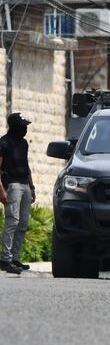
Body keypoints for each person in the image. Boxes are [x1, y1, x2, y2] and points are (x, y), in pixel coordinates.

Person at [0, 113, 36, 275]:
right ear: (14, 126)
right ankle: (5, 259)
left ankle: (15, 258)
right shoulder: (3, 143)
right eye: (23, 126)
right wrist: (1, 189)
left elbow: (26, 165)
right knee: (12, 221)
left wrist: (32, 186)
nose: (25, 129)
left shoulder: (23, 144)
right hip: (12, 185)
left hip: (24, 184)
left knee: (22, 223)